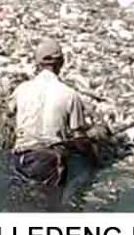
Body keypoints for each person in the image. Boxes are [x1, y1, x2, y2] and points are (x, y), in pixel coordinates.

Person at [8, 38, 96, 186]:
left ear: (37, 62)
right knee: (51, 204)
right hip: (49, 161)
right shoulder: (70, 94)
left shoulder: (21, 89)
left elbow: (10, 116)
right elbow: (79, 137)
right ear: (62, 62)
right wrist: (94, 159)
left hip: (20, 157)